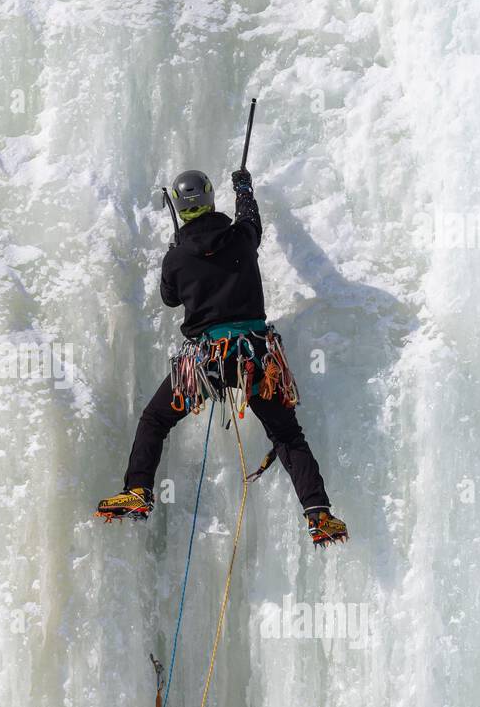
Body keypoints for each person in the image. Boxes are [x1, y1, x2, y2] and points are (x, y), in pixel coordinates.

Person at [96, 169, 348, 547]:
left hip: (206, 362)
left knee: (155, 419)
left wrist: (174, 249)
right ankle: (318, 513)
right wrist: (243, 189)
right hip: (255, 357)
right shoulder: (241, 239)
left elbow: (170, 298)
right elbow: (251, 220)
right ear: (211, 199)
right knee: (286, 433)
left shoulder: (177, 258)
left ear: (180, 211)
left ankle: (138, 491)